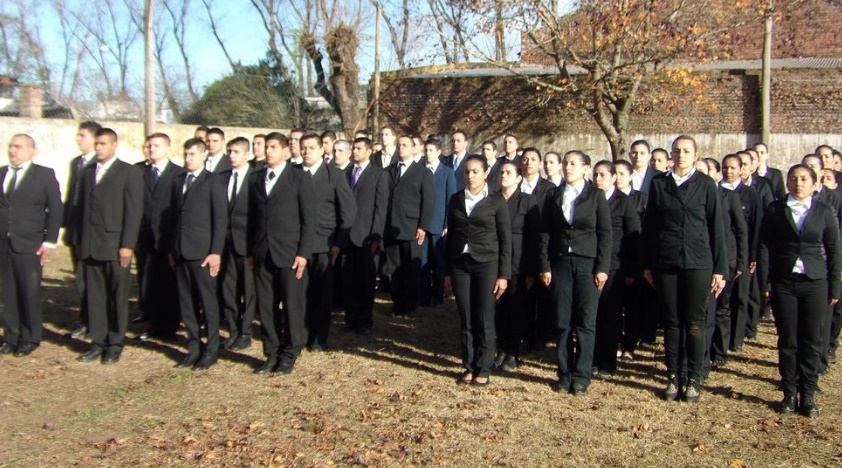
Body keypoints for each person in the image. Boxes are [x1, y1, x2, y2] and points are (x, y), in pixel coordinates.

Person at [642, 135, 726, 402]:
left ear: (696, 155)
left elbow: (717, 228)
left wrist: (719, 268)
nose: (681, 155)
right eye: (676, 150)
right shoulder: (659, 184)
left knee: (695, 322)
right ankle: (673, 376)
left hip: (699, 262)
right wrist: (647, 263)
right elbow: (649, 227)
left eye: (686, 151)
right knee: (672, 321)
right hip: (667, 261)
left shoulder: (706, 185)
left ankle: (694, 376)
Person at [761, 164, 840, 418]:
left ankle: (808, 394)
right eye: (793, 179)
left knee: (812, 339)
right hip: (784, 281)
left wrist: (835, 285)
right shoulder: (776, 209)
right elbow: (764, 246)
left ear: (814, 183)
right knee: (788, 338)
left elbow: (835, 250)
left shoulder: (824, 211)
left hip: (815, 282)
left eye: (804, 179)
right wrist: (766, 281)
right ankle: (789, 392)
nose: (798, 183)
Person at [539, 151, 612, 394]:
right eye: (565, 163)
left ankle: (581, 374)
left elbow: (605, 233)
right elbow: (545, 233)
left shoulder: (595, 196)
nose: (567, 167)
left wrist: (602, 268)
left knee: (585, 321)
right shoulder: (554, 194)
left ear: (585, 169)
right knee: (562, 320)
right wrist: (545, 266)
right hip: (560, 263)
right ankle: (564, 373)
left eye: (573, 164)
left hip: (587, 265)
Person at [249, 132, 316, 374]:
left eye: (273, 147)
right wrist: (250, 251)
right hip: (262, 252)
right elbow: (252, 219)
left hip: (290, 254)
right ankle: (272, 352)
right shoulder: (256, 179)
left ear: (286, 151)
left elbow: (309, 220)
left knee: (292, 305)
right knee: (266, 306)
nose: (268, 151)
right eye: (266, 147)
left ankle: (290, 351)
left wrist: (303, 253)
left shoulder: (299, 178)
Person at [76, 128, 143, 364]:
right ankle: (97, 341)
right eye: (96, 144)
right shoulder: (86, 173)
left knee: (117, 296)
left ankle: (115, 343)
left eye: (103, 143)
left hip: (115, 247)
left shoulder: (129, 172)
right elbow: (82, 211)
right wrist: (82, 244)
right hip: (92, 246)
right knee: (95, 297)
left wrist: (127, 245)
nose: (98, 148)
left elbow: (133, 213)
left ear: (114, 145)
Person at [446, 155, 512, 386]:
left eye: (475, 171)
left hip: (487, 263)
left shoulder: (496, 201)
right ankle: (469, 365)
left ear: (485, 173)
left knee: (484, 315)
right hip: (460, 264)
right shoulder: (455, 199)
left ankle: (484, 366)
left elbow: (505, 239)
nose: (470, 176)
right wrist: (447, 271)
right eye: (467, 172)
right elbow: (451, 235)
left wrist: (504, 274)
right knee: (466, 316)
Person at [0, 135, 62, 357]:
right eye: (10, 146)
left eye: (18, 147)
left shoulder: (44, 175)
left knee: (29, 292)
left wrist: (49, 241)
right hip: (4, 244)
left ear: (31, 150)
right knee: (8, 293)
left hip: (30, 244)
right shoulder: (2, 173)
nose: (12, 150)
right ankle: (11, 335)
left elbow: (55, 209)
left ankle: (30, 337)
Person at [168, 138, 228, 370]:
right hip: (182, 251)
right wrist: (173, 249)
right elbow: (175, 218)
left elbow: (220, 220)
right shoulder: (179, 181)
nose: (187, 159)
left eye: (192, 154)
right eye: (185, 154)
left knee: (208, 303)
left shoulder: (213, 182)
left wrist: (215, 252)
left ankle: (212, 348)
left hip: (203, 253)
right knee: (187, 303)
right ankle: (194, 347)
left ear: (204, 156)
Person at [299, 133, 356, 351]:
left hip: (324, 244)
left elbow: (348, 211)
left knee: (321, 294)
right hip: (297, 244)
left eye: (311, 147)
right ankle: (301, 332)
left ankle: (318, 338)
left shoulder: (334, 175)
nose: (306, 152)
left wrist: (338, 242)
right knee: (299, 294)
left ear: (322, 150)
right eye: (303, 148)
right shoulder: (293, 174)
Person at [592, 160, 640, 379]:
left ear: (613, 177)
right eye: (596, 175)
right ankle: (592, 358)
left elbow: (633, 236)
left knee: (610, 315)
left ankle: (607, 362)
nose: (598, 179)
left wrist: (632, 270)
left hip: (615, 266)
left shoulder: (624, 202)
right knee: (591, 314)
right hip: (592, 263)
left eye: (603, 175)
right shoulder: (590, 198)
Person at [136, 133, 184, 342]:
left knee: (170, 284)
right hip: (145, 238)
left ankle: (171, 325)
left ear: (167, 148)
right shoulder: (139, 172)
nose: (151, 149)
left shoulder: (178, 174)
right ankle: (154, 323)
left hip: (168, 237)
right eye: (149, 145)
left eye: (156, 145)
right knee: (149, 283)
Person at [343, 138, 390, 335]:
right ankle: (350, 318)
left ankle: (364, 320)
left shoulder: (379, 175)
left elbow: (381, 208)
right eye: (353, 148)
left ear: (369, 151)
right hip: (346, 236)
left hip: (366, 236)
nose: (354, 151)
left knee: (366, 280)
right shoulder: (345, 173)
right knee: (349, 280)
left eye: (359, 148)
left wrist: (376, 236)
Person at [495, 161, 539, 371]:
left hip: (518, 263)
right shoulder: (491, 199)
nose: (504, 175)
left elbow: (534, 238)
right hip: (493, 262)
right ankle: (501, 348)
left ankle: (513, 352)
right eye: (501, 171)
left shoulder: (528, 202)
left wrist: (531, 270)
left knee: (515, 308)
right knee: (498, 308)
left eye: (508, 172)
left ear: (519, 178)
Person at [384, 135, 435, 318]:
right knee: (394, 269)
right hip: (390, 227)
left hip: (411, 227)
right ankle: (397, 305)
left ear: (414, 149)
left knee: (411, 270)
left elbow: (428, 202)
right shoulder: (388, 171)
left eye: (405, 145)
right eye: (398, 145)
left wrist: (423, 226)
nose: (401, 148)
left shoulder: (423, 173)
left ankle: (410, 306)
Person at [62, 120, 101, 339]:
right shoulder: (76, 163)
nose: (78, 139)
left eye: (82, 135)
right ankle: (85, 320)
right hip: (75, 231)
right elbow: (72, 197)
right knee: (81, 279)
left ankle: (96, 321)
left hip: (93, 234)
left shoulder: (100, 165)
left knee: (93, 279)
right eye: (78, 135)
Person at [719, 154, 759, 360]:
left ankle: (737, 339)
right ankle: (721, 343)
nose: (729, 171)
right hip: (722, 254)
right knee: (723, 303)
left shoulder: (748, 193)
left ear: (741, 169)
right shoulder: (717, 191)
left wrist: (749, 256)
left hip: (738, 254)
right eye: (725, 167)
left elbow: (751, 228)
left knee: (740, 297)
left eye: (733, 167)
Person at [220, 137, 256, 351]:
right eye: (229, 152)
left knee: (249, 291)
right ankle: (233, 330)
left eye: (235, 152)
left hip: (247, 245)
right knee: (229, 289)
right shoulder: (222, 178)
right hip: (226, 245)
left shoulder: (255, 179)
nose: (231, 156)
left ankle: (246, 331)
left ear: (246, 154)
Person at [420, 138, 456, 309]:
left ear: (438, 152)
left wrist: (447, 224)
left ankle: (438, 296)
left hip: (438, 224)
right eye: (425, 150)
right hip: (422, 224)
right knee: (423, 261)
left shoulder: (447, 172)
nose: (427, 154)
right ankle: (424, 295)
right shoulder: (420, 170)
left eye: (431, 151)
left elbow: (451, 200)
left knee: (438, 263)